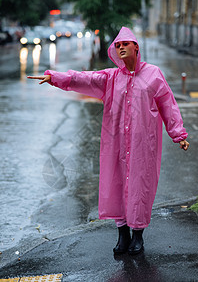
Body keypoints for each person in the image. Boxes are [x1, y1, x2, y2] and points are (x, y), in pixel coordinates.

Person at [27, 27, 189, 255]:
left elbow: (168, 105)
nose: (121, 47)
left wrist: (178, 134)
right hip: (115, 144)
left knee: (140, 186)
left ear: (136, 47)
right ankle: (122, 235)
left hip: (144, 144)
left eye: (125, 44)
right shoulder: (111, 78)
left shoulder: (154, 74)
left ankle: (138, 236)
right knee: (115, 185)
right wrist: (55, 77)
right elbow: (83, 78)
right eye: (117, 45)